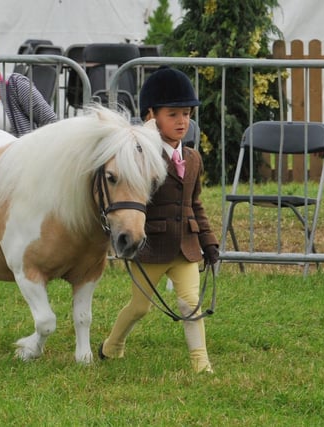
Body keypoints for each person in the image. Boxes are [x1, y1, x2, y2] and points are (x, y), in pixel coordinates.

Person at [98, 66, 219, 374]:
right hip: (152, 247)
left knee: (190, 301)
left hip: (185, 246)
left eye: (186, 114)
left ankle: (201, 363)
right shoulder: (141, 157)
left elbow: (195, 203)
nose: (182, 122)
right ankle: (113, 345)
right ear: (152, 115)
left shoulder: (192, 159)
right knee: (140, 307)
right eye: (173, 114)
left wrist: (209, 241)